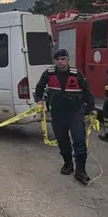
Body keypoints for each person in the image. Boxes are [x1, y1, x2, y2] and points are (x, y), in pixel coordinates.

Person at [34, 48, 96, 185]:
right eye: (57, 60)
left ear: (68, 59)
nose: (60, 62)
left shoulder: (77, 74)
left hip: (75, 112)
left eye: (63, 59)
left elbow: (87, 92)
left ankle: (81, 171)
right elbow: (39, 88)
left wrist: (92, 108)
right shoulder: (49, 73)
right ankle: (68, 164)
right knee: (62, 140)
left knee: (79, 141)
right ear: (54, 61)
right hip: (57, 112)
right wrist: (39, 99)